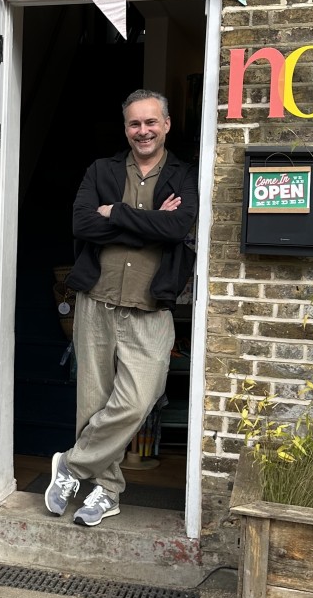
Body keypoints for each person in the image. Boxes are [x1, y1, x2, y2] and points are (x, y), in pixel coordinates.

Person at [45, 89, 198, 526]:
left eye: (151, 122)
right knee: (92, 402)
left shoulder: (184, 175)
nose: (143, 131)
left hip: (150, 307)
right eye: (135, 123)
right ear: (126, 128)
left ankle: (71, 466)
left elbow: (177, 227)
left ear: (166, 124)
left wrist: (116, 215)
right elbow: (83, 223)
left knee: (136, 400)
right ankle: (106, 492)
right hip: (97, 301)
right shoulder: (102, 170)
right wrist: (145, 222)